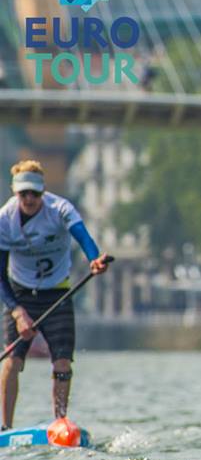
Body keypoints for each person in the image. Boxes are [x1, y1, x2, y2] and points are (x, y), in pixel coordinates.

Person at [0, 161, 109, 430]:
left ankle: (60, 423)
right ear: (15, 192)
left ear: (43, 191)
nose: (29, 199)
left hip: (57, 293)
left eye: (34, 193)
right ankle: (6, 427)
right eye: (23, 193)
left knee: (62, 361)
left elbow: (82, 236)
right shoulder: (4, 220)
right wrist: (17, 311)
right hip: (20, 294)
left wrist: (95, 259)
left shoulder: (60, 209)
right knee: (12, 361)